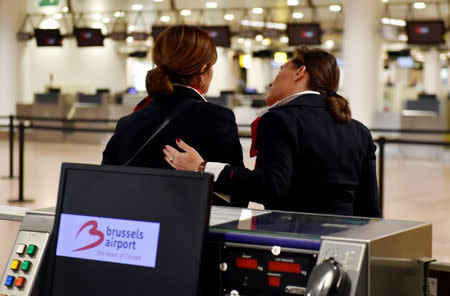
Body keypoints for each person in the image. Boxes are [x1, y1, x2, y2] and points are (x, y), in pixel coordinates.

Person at [163, 47, 381, 218]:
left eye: (280, 71)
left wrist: (203, 167)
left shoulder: (280, 119)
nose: (271, 81)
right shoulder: (359, 130)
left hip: (294, 240)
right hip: (345, 241)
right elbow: (370, 208)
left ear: (300, 72)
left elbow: (270, 186)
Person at [102, 25, 243, 171]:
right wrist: (202, 167)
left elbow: (106, 178)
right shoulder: (217, 117)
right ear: (203, 68)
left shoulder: (127, 122)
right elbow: (236, 187)